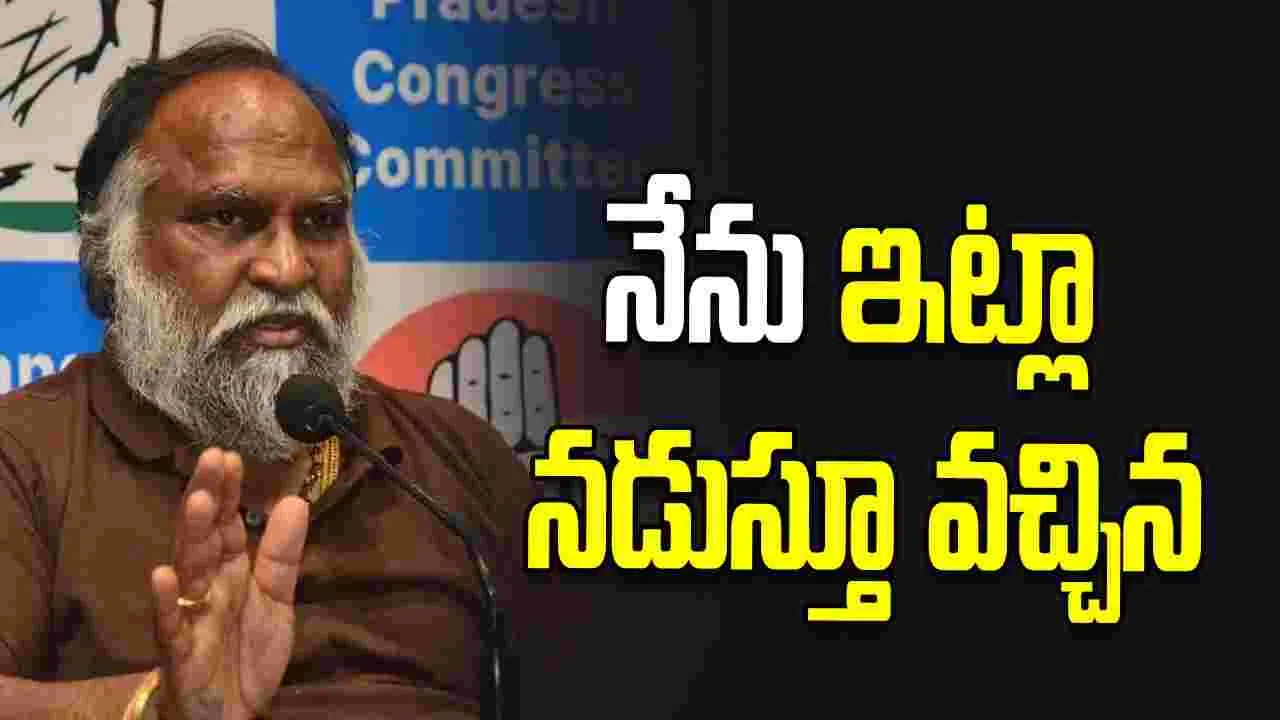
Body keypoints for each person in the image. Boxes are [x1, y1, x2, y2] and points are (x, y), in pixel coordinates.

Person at [0, 31, 538, 719]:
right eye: (229, 218)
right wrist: (158, 707)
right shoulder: (25, 458)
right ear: (111, 251)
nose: (287, 269)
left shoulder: (456, 461)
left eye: (320, 221)